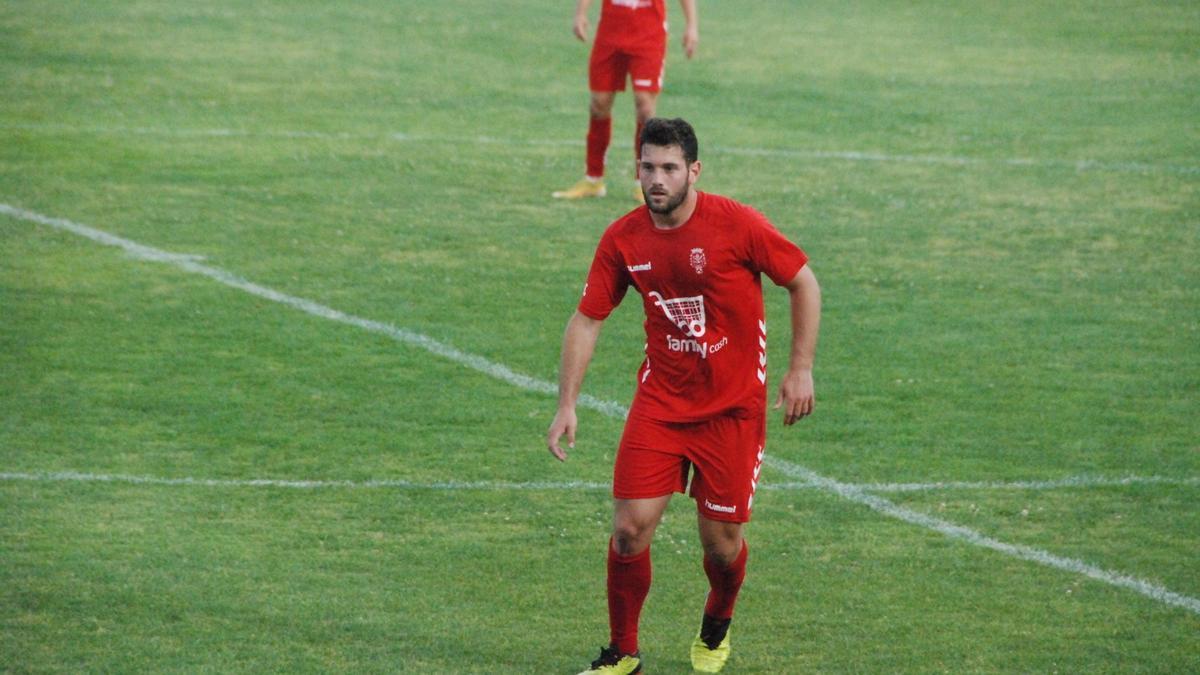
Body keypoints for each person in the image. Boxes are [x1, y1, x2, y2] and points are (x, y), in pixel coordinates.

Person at [546, 118, 821, 674]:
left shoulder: (737, 225)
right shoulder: (623, 238)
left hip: (733, 411)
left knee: (720, 547)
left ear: (693, 171)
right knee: (628, 529)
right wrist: (567, 402)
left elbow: (803, 282)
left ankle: (717, 624)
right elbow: (587, 319)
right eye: (648, 167)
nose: (657, 179)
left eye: (670, 168)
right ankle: (623, 653)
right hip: (662, 404)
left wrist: (800, 369)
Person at [552, 0, 699, 203]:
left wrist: (691, 26)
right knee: (599, 104)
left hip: (648, 31)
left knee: (645, 107)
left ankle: (643, 183)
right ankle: (593, 179)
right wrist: (581, 14)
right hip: (610, 30)